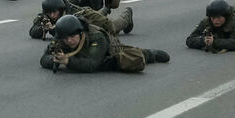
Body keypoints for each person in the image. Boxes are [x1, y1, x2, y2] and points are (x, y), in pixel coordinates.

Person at [40, 14, 169, 73]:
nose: (69, 41)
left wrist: (67, 61)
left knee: (130, 59)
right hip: (80, 57)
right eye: (66, 38)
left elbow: (92, 65)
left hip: (108, 52)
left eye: (72, 37)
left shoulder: (96, 37)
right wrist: (56, 60)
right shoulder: (61, 37)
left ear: (80, 33)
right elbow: (44, 59)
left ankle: (150, 53)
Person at [29, 0, 132, 40]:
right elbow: (32, 32)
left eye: (54, 12)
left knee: (112, 28)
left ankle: (127, 14)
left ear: (60, 9)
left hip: (87, 16)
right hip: (87, 14)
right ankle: (105, 9)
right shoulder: (46, 15)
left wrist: (52, 29)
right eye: (49, 13)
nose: (52, 16)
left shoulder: (75, 14)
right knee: (100, 14)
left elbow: (70, 32)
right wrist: (43, 28)